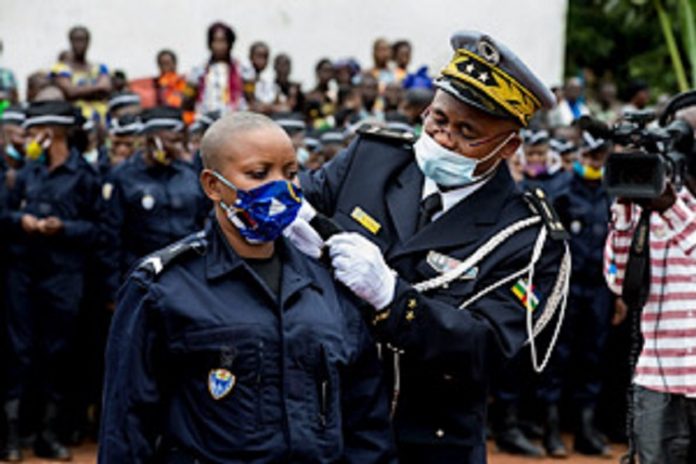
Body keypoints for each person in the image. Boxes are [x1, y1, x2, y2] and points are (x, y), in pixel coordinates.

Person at [291, 30, 570, 463]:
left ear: (509, 145)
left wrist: (393, 297)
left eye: (466, 132)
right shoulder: (373, 158)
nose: (442, 139)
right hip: (332, 421)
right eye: (438, 120)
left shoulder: (528, 236)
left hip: (427, 440)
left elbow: (493, 350)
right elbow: (298, 208)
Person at [99, 112, 396, 463]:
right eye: (259, 174)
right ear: (213, 185)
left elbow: (365, 418)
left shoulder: (327, 284)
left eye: (290, 173)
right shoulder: (164, 288)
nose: (282, 187)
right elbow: (128, 425)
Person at [1, 101, 103, 461]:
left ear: (53, 132)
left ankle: (48, 433)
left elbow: (98, 228)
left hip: (64, 275)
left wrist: (65, 228)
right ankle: (11, 437)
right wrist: (20, 220)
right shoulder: (24, 174)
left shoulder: (86, 176)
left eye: (34, 131)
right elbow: (4, 213)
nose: (28, 138)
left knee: (56, 354)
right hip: (23, 273)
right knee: (19, 352)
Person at [604, 91, 696, 464]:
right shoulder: (653, 204)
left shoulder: (667, 207)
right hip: (659, 381)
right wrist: (626, 210)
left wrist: (671, 210)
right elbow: (620, 282)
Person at [537, 132, 614, 457]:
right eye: (588, 156)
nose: (592, 163)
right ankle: (551, 430)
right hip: (565, 285)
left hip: (598, 287)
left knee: (592, 358)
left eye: (599, 158)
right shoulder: (562, 191)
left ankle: (585, 430)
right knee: (558, 357)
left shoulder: (612, 193)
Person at [101, 106, 209, 298]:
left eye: (180, 141)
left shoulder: (189, 175)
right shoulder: (124, 176)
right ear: (153, 139)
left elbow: (204, 223)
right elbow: (111, 236)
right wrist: (112, 288)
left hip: (187, 276)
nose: (178, 147)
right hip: (141, 276)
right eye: (172, 141)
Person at [50, 26, 112, 125]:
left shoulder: (100, 68)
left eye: (83, 40)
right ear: (70, 42)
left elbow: (106, 88)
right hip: (77, 122)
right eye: (76, 40)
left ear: (88, 42)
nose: (80, 44)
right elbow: (70, 92)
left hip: (102, 119)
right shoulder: (60, 68)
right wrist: (97, 89)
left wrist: (80, 90)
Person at [188, 22, 244, 115]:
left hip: (233, 119)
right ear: (209, 44)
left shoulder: (241, 70)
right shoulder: (199, 70)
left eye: (223, 41)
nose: (219, 46)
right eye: (215, 41)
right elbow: (188, 99)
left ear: (230, 44)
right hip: (206, 118)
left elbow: (250, 99)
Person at [242, 41, 275, 111]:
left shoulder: (266, 81)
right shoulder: (245, 77)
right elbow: (251, 102)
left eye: (265, 57)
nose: (262, 60)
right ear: (250, 57)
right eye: (259, 56)